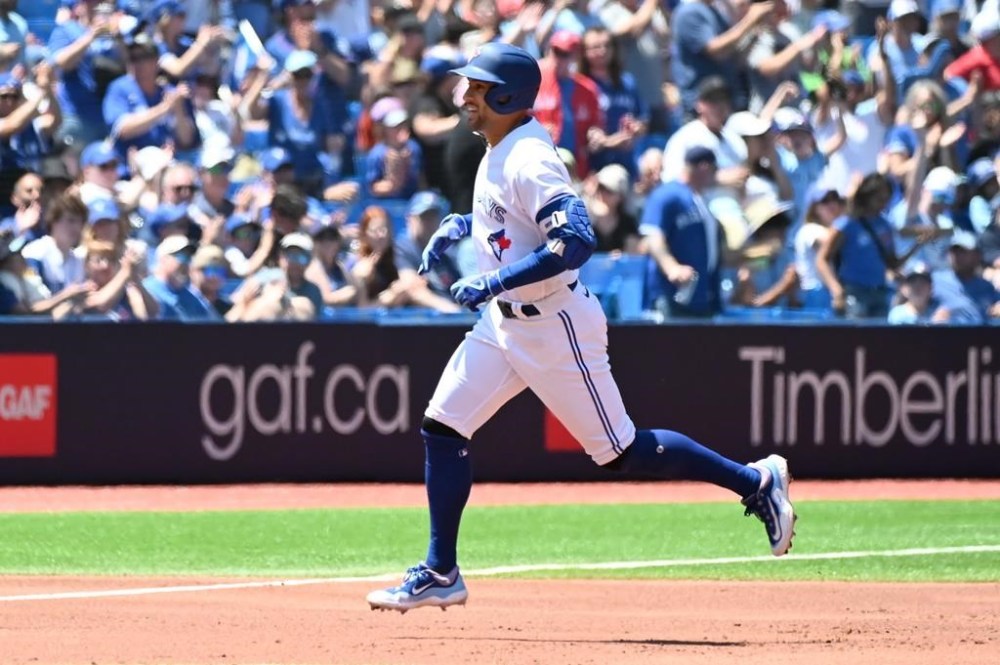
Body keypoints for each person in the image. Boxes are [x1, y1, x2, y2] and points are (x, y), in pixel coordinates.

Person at [366, 43, 796, 614]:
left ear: (505, 95)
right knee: (443, 427)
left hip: (554, 325)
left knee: (620, 452)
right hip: (505, 325)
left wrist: (491, 283)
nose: (464, 94)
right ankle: (442, 569)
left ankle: (754, 481)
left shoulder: (528, 157)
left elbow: (575, 242)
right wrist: (464, 224)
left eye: (476, 86)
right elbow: (510, 220)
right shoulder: (501, 147)